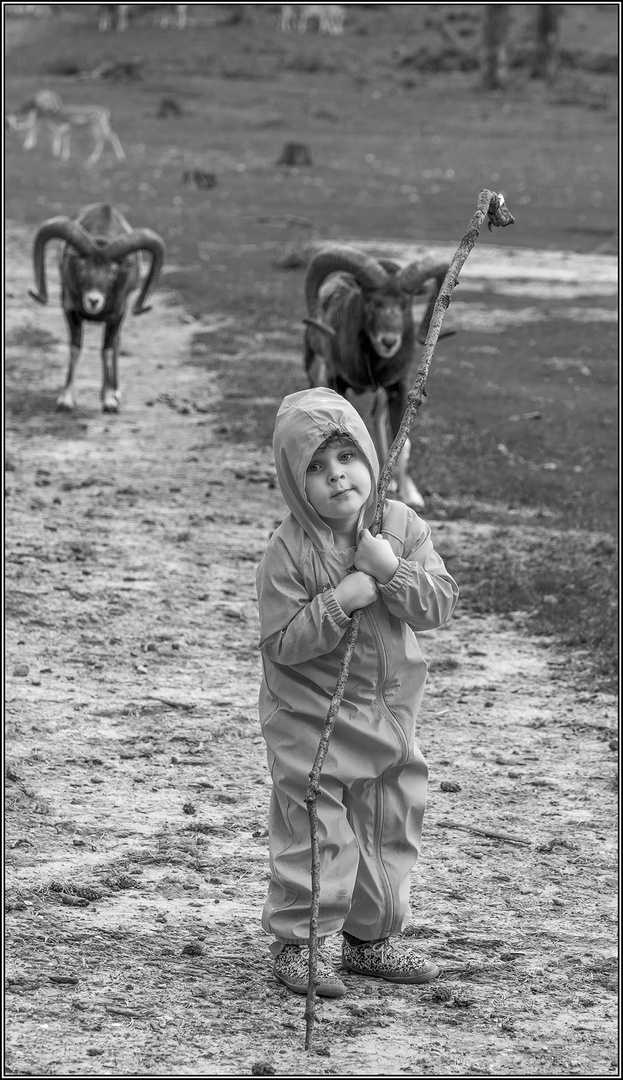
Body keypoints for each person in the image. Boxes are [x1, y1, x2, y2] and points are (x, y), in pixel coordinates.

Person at [256, 387, 459, 998]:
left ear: (373, 458)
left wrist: (390, 570)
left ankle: (369, 941)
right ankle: (300, 943)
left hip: (387, 718)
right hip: (311, 722)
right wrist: (340, 602)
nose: (335, 476)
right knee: (317, 830)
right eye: (315, 468)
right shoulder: (288, 551)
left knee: (386, 826)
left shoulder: (398, 526)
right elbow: (282, 642)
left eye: (345, 456)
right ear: (295, 482)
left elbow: (439, 602)